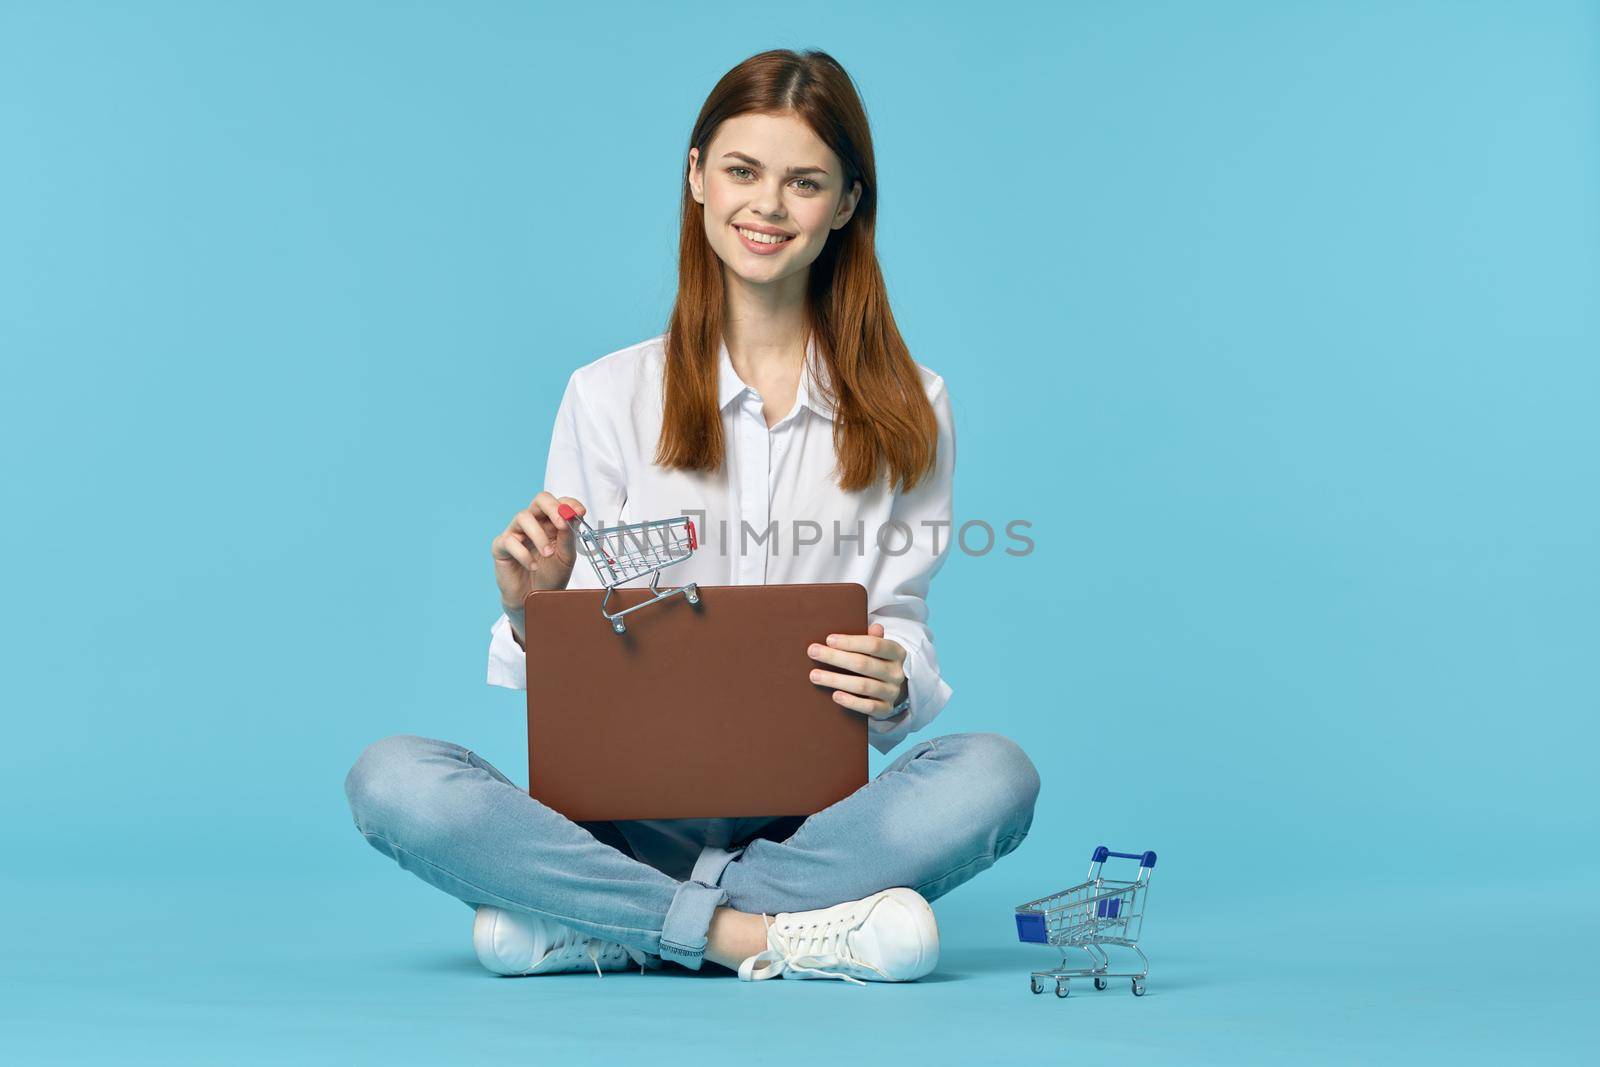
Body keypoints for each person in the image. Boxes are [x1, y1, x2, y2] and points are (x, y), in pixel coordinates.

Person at [344, 48, 1040, 985]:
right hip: (619, 824)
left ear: (843, 205)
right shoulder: (607, 395)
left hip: (813, 824)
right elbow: (575, 670)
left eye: (804, 183)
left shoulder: (914, 405)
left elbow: (902, 622)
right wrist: (533, 605)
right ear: (697, 177)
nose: (767, 206)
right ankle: (760, 936)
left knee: (996, 775)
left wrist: (895, 675)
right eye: (743, 172)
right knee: (393, 778)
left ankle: (605, 925)